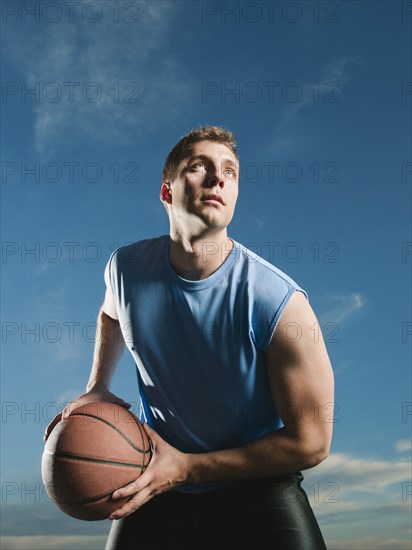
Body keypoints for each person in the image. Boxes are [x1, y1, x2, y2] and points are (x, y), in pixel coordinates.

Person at [45, 125, 334, 549]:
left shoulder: (278, 302)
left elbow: (311, 442)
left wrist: (188, 468)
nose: (219, 178)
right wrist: (98, 387)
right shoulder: (126, 268)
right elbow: (110, 314)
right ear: (167, 192)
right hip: (157, 471)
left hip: (256, 483)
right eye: (200, 167)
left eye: (231, 172)